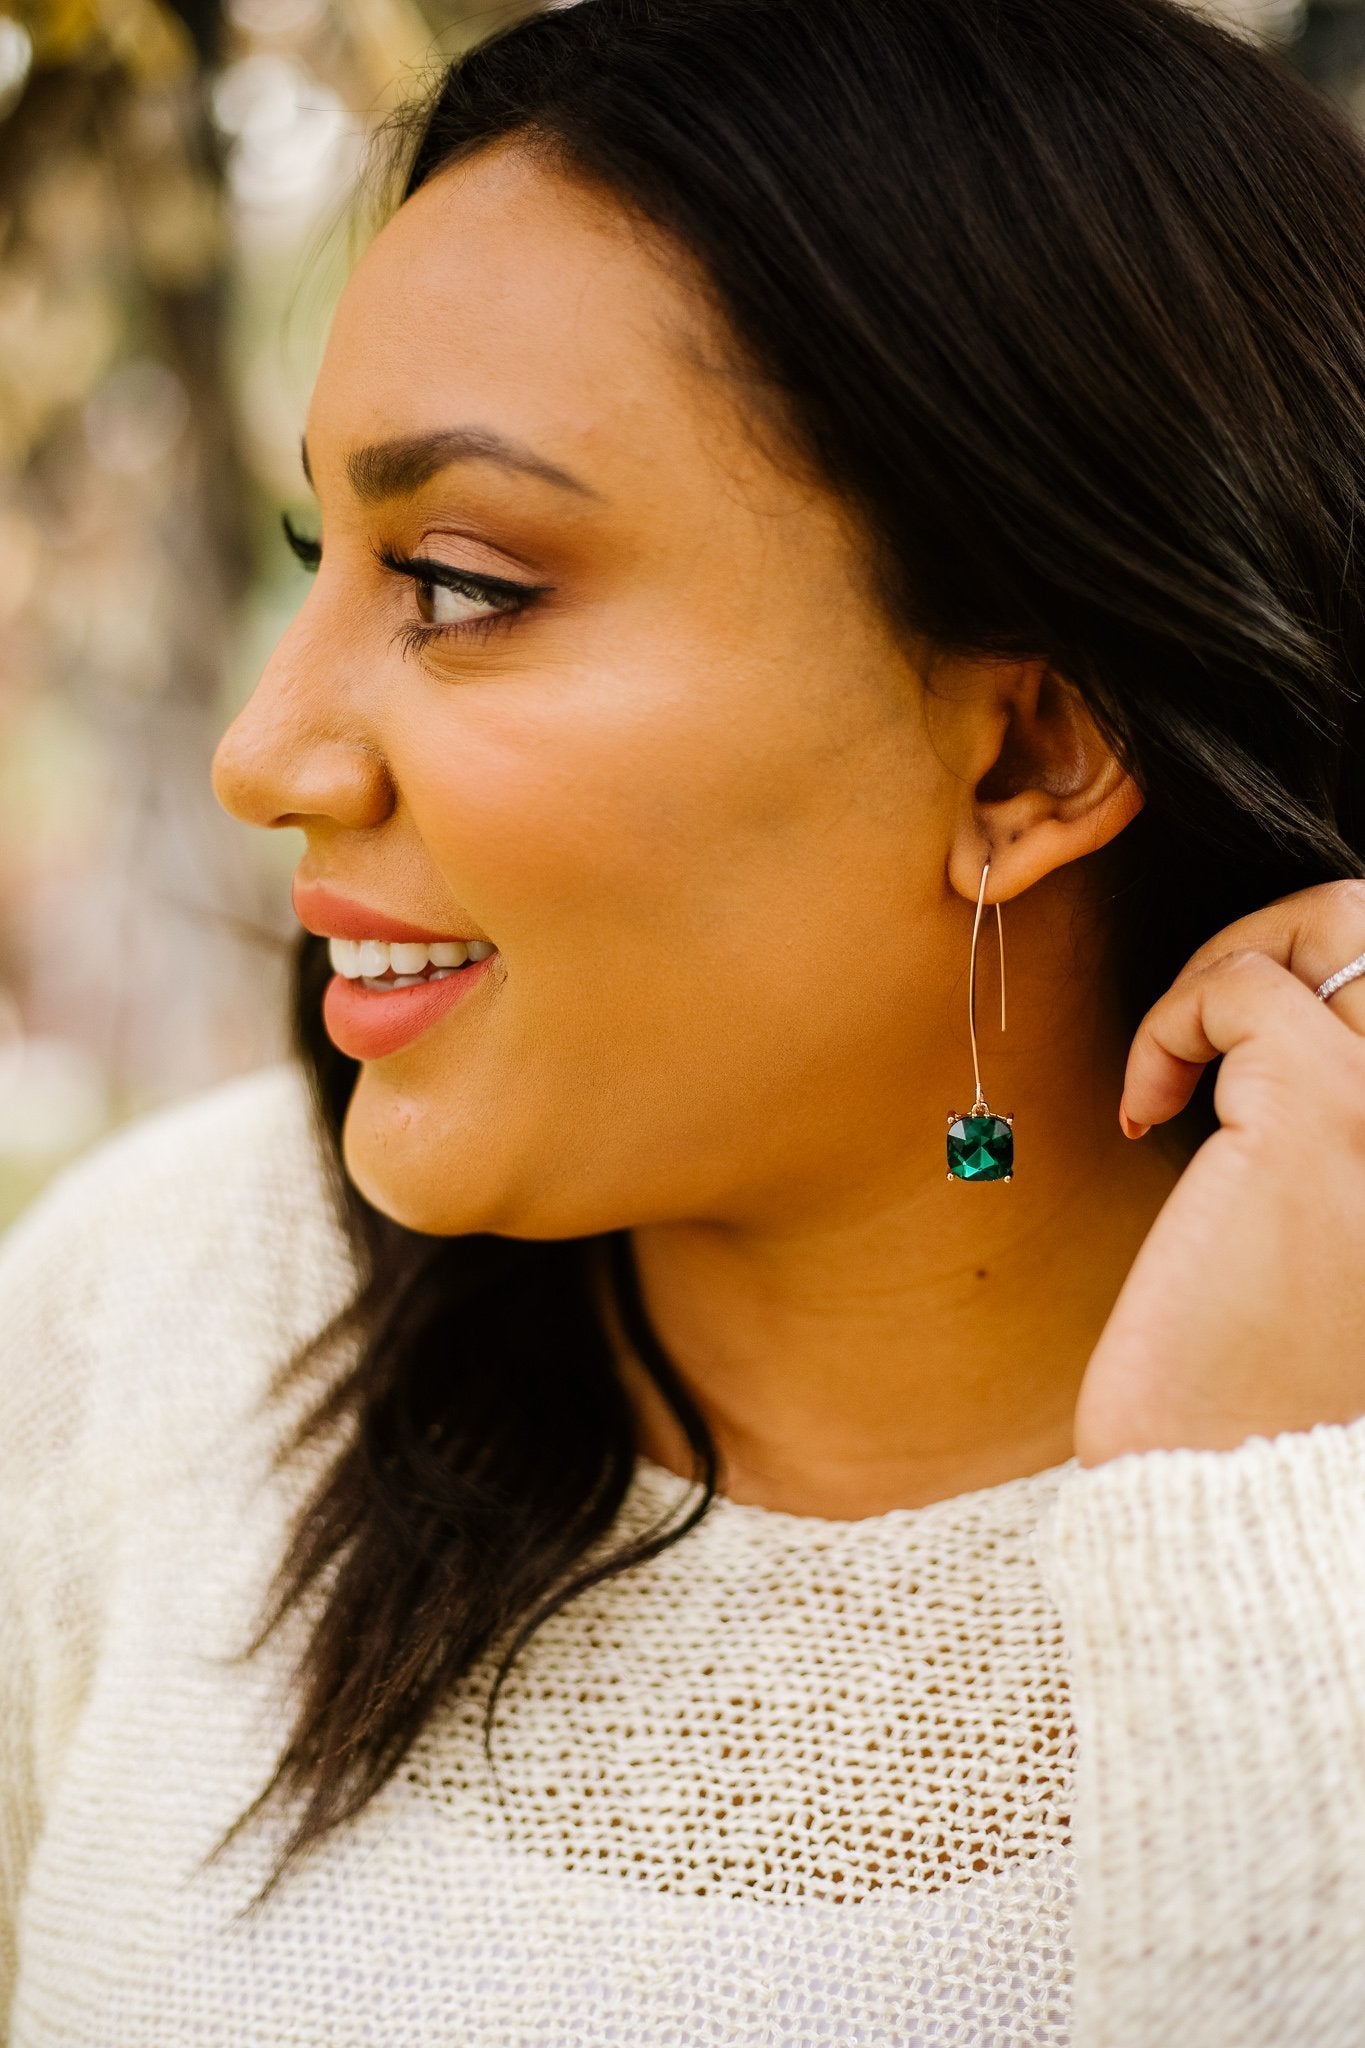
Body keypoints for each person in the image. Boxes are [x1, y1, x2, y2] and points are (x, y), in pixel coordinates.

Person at [4, 0, 1365, 2039]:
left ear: (1023, 761)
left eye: (458, 582)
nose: (263, 751)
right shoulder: (153, 1319)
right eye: (319, 551)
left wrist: (1265, 1526)